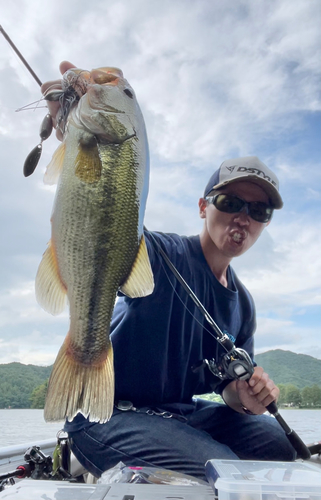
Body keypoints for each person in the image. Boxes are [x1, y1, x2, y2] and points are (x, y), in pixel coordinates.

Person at [42, 62, 296, 482]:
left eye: (258, 210)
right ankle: (86, 449)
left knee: (282, 445)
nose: (242, 218)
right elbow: (108, 217)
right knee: (221, 466)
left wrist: (250, 396)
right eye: (230, 203)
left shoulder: (243, 305)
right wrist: (72, 125)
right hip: (109, 414)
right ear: (203, 207)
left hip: (179, 416)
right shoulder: (161, 252)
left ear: (265, 223)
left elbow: (229, 391)